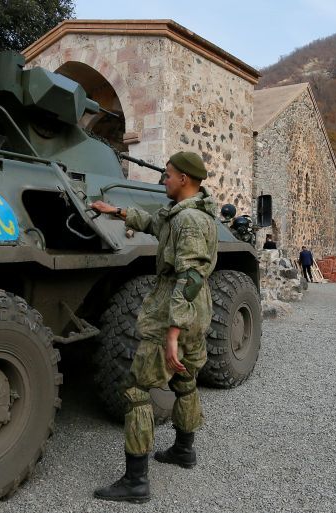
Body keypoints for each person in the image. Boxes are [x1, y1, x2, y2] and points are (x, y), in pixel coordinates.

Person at [89, 151, 217, 503]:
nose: (164, 180)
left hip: (173, 313)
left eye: (168, 175)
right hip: (196, 312)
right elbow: (154, 224)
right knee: (186, 381)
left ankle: (136, 482)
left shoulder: (188, 222)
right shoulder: (191, 214)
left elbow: (190, 276)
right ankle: (184, 451)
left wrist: (172, 332)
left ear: (185, 180)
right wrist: (116, 211)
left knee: (137, 391)